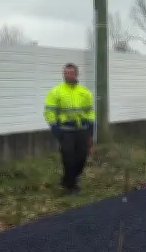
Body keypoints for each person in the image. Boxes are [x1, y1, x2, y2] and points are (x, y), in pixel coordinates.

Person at [44, 63, 95, 195]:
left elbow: (90, 111)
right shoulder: (56, 92)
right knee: (68, 158)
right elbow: (49, 111)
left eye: (71, 73)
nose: (68, 75)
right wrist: (54, 127)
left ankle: (68, 179)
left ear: (76, 74)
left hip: (82, 129)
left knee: (82, 157)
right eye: (66, 73)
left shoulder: (85, 92)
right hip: (65, 131)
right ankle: (71, 186)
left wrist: (91, 127)